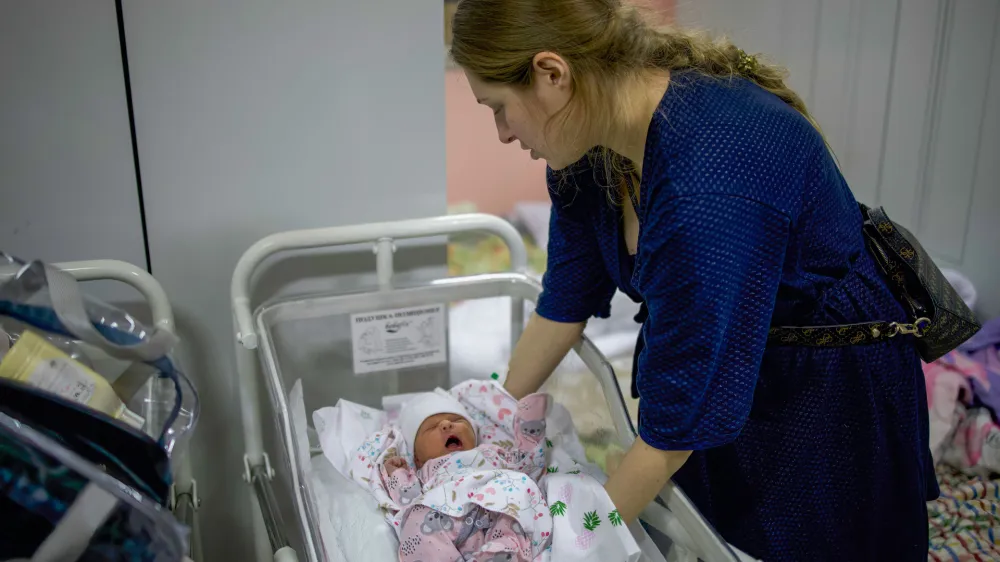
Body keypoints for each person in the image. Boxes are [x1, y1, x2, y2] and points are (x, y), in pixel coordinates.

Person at [449, 1, 937, 560]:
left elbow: (671, 435)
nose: (503, 133)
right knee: (704, 530)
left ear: (552, 74)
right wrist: (486, 419)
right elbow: (564, 301)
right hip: (722, 369)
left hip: (822, 390)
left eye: (500, 108)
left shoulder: (705, 183)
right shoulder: (590, 150)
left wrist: (569, 543)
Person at [382, 390, 548, 561]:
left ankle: (499, 554)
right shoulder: (426, 470)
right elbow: (408, 498)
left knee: (518, 499)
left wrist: (530, 426)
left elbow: (527, 463)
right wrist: (397, 474)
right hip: (449, 518)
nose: (446, 424)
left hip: (498, 508)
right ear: (417, 457)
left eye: (457, 420)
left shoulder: (490, 452)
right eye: (431, 427)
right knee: (417, 517)